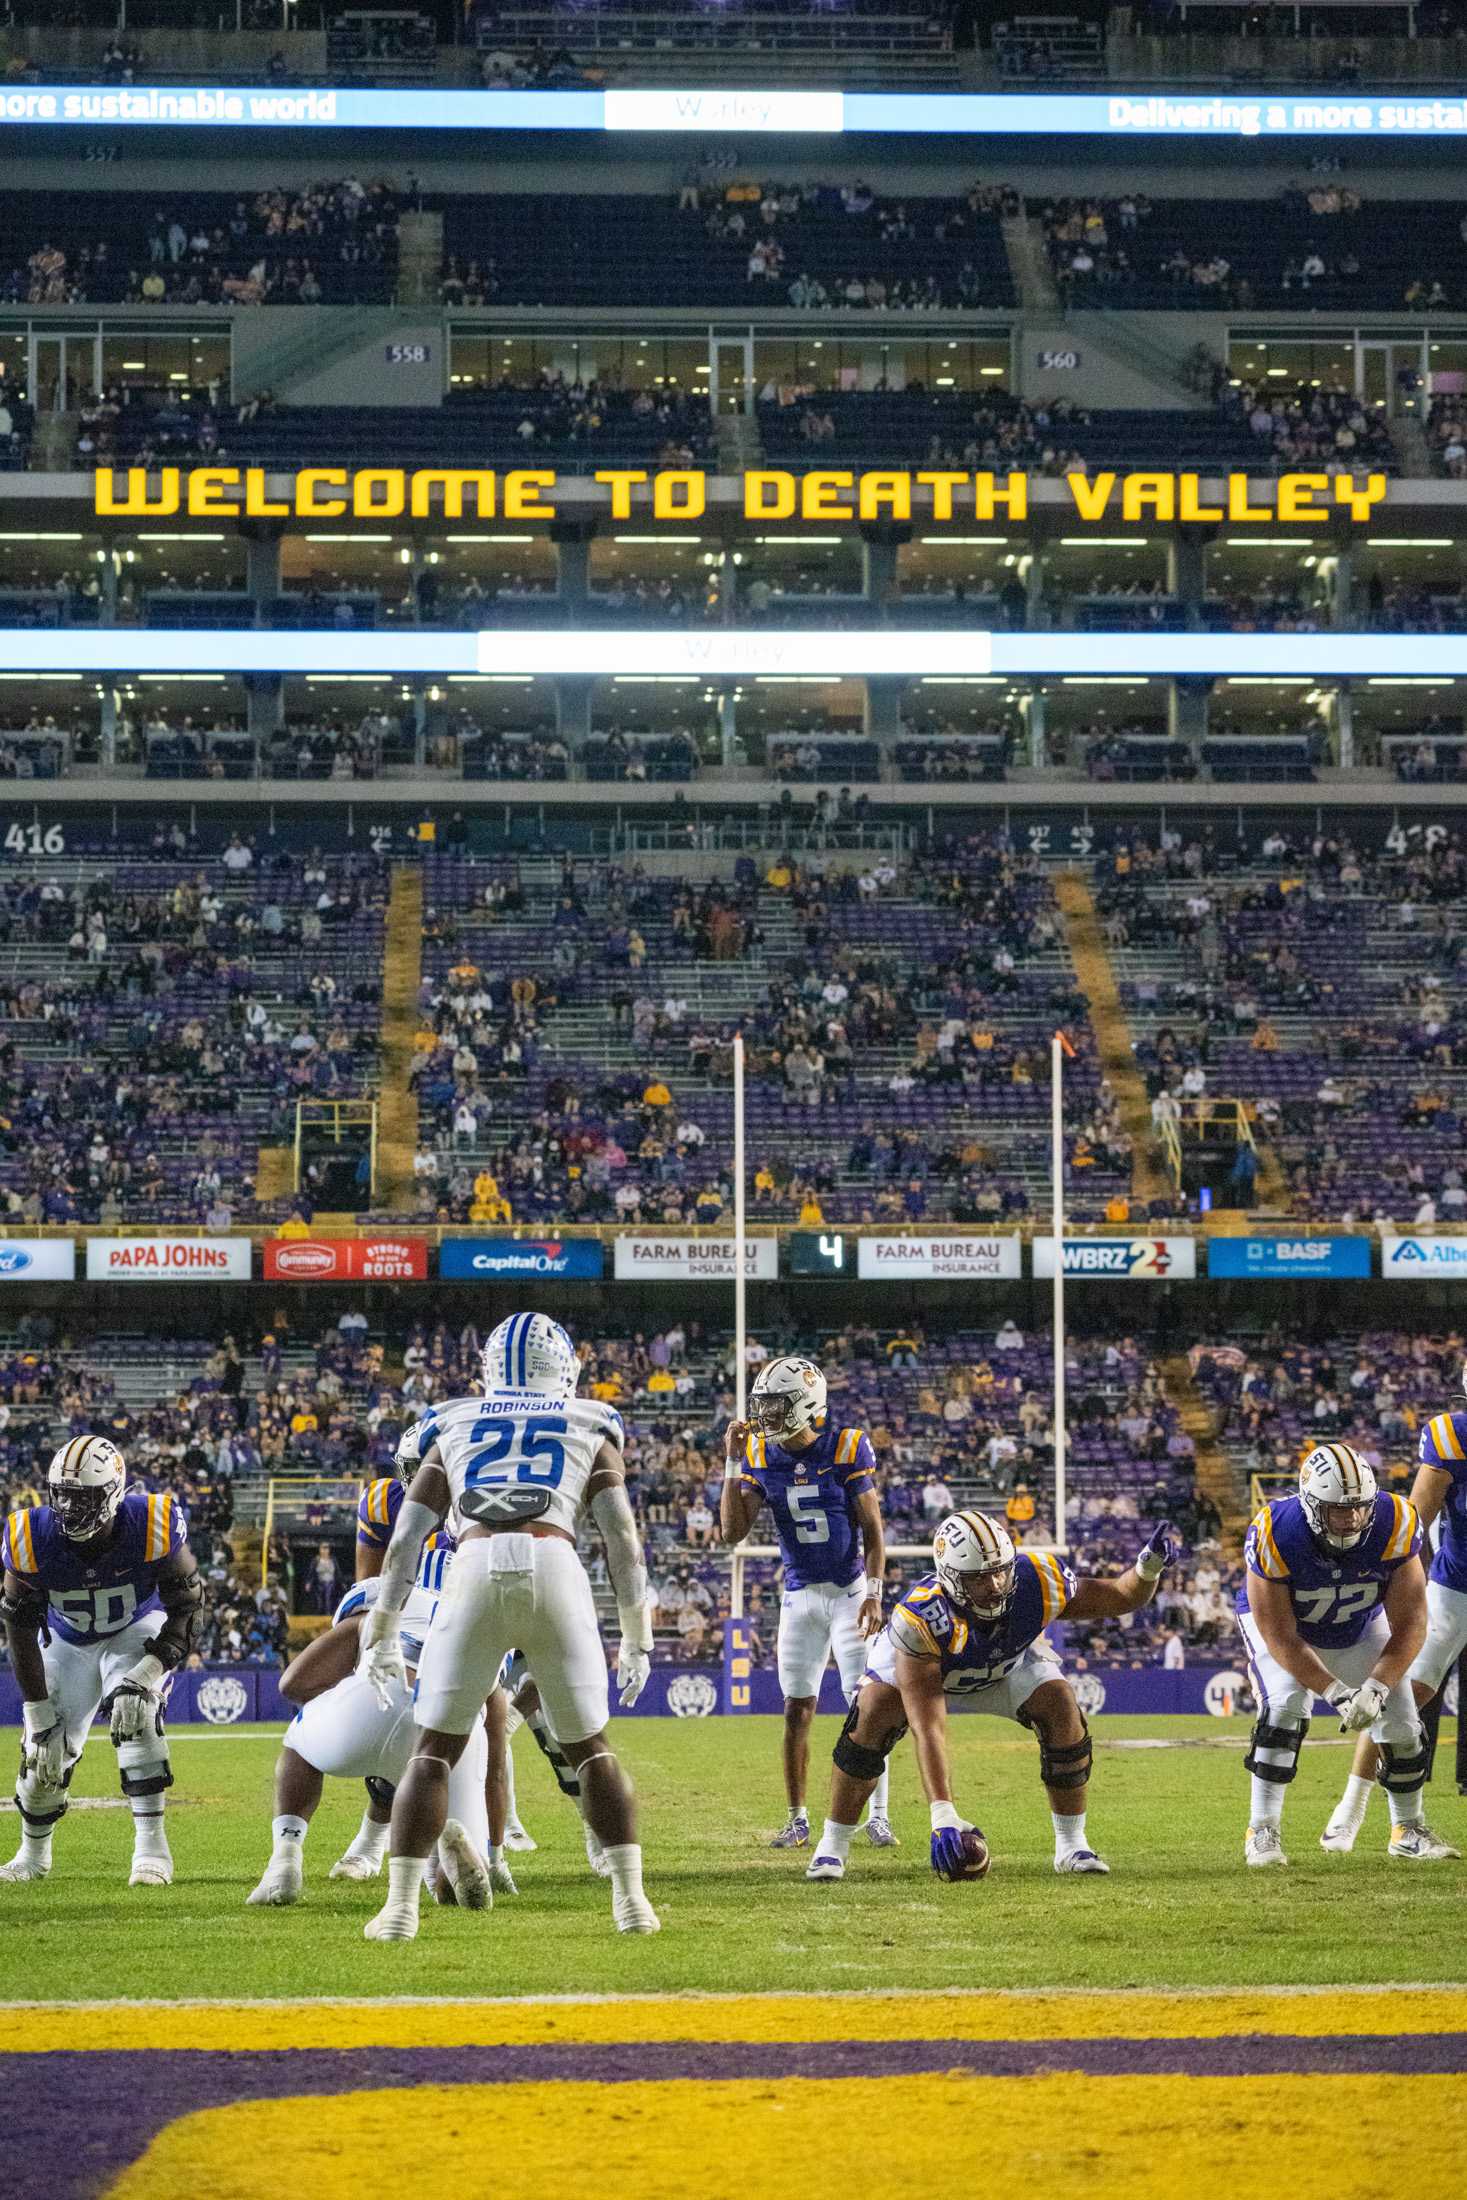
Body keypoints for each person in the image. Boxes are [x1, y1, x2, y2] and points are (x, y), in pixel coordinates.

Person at [358, 1312, 657, 1940]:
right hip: (554, 1561)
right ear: (565, 1370)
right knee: (591, 1748)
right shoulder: (590, 1423)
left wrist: (381, 1628)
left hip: (472, 1567)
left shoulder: (454, 1421)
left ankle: (400, 1909)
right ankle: (631, 1900)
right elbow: (624, 1542)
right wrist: (637, 1636)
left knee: (434, 1751)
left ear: (490, 1370)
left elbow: (406, 1540)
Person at [804, 1509, 1175, 1882]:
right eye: (980, 1578)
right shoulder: (920, 1618)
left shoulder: (1038, 1578)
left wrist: (1148, 1567)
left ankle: (1071, 1844)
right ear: (950, 1578)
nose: (996, 1585)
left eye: (1001, 1570)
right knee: (872, 1714)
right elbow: (928, 1727)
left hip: (1004, 1665)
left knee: (1061, 1704)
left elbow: (1121, 1596)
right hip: (931, 1666)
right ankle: (832, 1845)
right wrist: (943, 1812)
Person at [245, 1537, 504, 1910]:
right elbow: (495, 1765)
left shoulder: (380, 1596)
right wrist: (496, 1854)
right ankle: (448, 1855)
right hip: (455, 1732)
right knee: (449, 1871)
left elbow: (293, 1684)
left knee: (298, 1743)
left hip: (380, 1694)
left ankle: (284, 1858)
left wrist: (336, 1699)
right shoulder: (488, 1618)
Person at [0, 1435, 202, 1888]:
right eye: (62, 1495)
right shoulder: (30, 1535)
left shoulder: (151, 1522)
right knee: (43, 1751)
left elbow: (189, 1608)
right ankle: (33, 1854)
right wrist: (37, 1714)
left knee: (137, 1710)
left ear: (112, 1493)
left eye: (83, 1497)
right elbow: (17, 1626)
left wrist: (148, 1673)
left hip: (135, 1627)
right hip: (66, 1640)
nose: (70, 1508)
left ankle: (151, 1849)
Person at [1235, 1442, 1443, 1868]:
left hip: (1359, 1624)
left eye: (1360, 1507)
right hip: (1289, 1630)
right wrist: (1334, 1692)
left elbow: (1412, 1624)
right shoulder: (1277, 1531)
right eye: (1338, 1509)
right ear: (1312, 1505)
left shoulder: (1397, 1521)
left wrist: (1377, 1687)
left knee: (1403, 1722)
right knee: (1284, 1709)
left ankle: (1407, 1829)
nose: (1352, 1518)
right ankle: (1262, 1829)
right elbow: (1280, 1637)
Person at [719, 1354, 892, 1851]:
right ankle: (797, 1819)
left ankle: (877, 1815)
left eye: (776, 1405)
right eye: (763, 1405)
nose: (765, 1415)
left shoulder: (846, 1447)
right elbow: (732, 1532)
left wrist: (875, 1596)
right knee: (797, 1709)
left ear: (806, 1405)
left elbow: (875, 1535)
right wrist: (731, 1460)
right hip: (799, 1597)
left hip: (849, 1593)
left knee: (869, 1707)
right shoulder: (758, 1453)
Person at [1322, 1390, 1467, 1858]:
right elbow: (1411, 1528)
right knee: (1401, 1694)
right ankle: (1351, 1809)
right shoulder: (1453, 1435)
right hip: (1456, 1589)